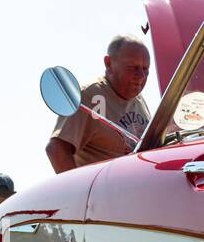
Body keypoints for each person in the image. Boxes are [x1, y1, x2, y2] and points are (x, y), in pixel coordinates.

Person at [46, 35, 151, 173]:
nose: (141, 76)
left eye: (145, 69)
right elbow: (56, 150)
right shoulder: (89, 97)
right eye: (133, 67)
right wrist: (80, 193)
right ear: (108, 63)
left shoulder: (139, 101)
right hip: (103, 193)